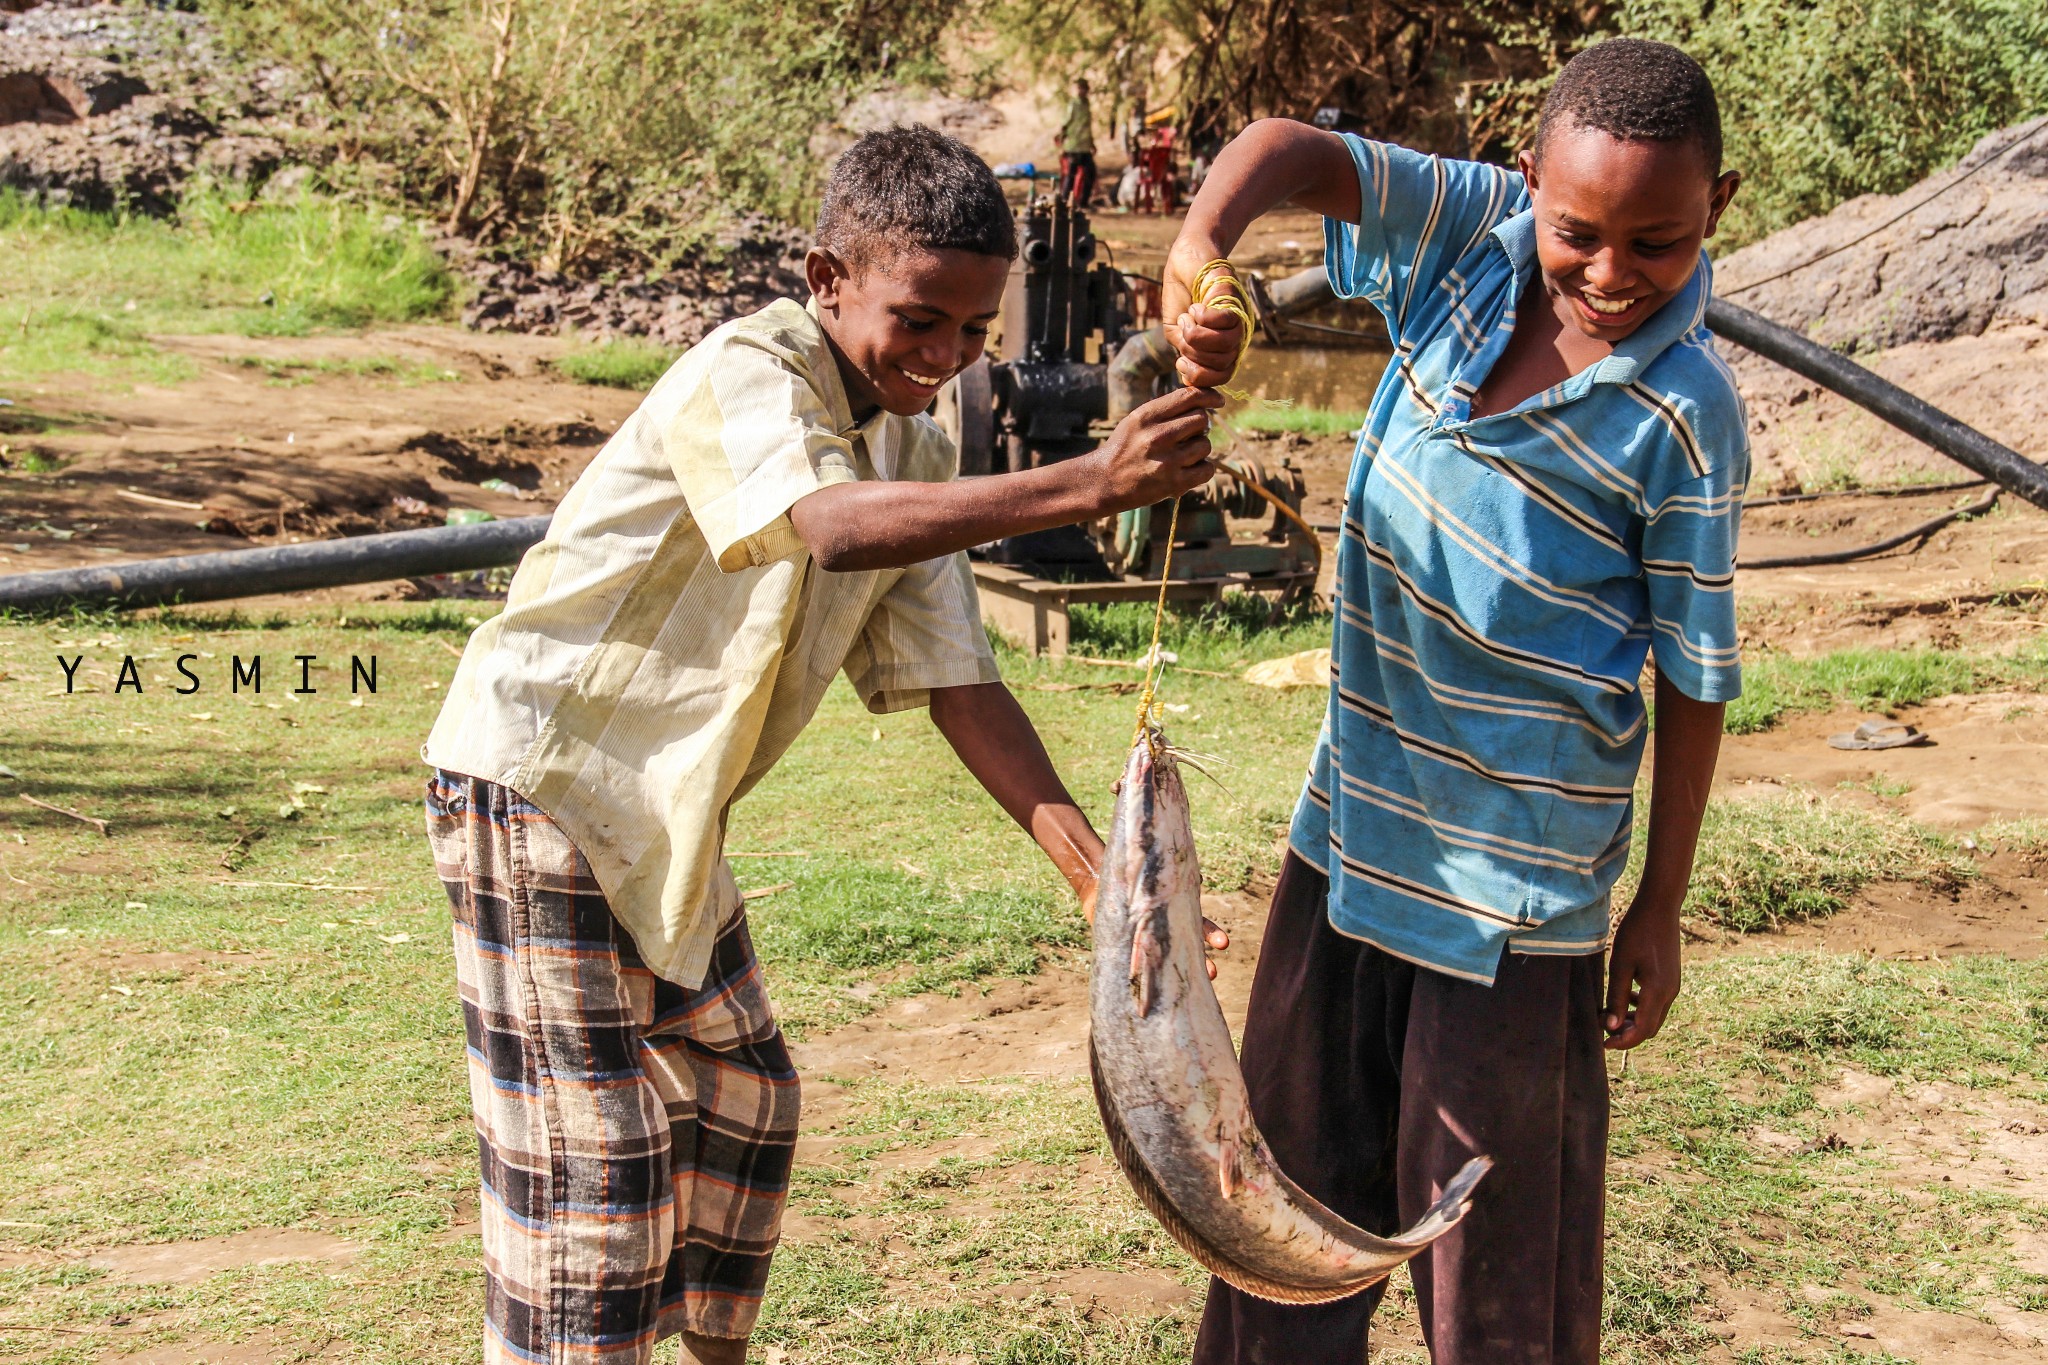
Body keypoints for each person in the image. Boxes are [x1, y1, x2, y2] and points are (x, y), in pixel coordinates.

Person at [421, 124, 1227, 1365]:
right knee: (600, 1186)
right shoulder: (748, 370)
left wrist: (1102, 883)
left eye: (972, 332)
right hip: (540, 783)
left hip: (664, 806)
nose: (943, 357)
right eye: (918, 319)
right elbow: (831, 529)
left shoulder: (914, 439)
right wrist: (1088, 485)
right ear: (824, 278)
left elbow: (959, 680)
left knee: (748, 1106)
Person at [1161, 38, 1746, 1365]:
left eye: (1655, 243)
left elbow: (1693, 675)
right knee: (1281, 1219)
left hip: (1515, 904)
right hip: (1352, 838)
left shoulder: (1686, 413)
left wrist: (1658, 901)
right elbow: (1287, 153)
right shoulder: (1471, 239)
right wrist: (1196, 249)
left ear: (1720, 207)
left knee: (1489, 1267)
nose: (1608, 273)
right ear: (1527, 178)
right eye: (1578, 230)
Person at [1060, 77, 1098, 206]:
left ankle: (1083, 203)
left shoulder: (1086, 103)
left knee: (1090, 174)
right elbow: (1066, 121)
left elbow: (1087, 125)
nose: (1082, 91)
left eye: (1084, 88)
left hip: (1085, 146)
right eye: (1080, 88)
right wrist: (1062, 136)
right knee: (1070, 176)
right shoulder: (1073, 104)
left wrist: (1091, 143)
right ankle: (1064, 202)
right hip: (1074, 146)